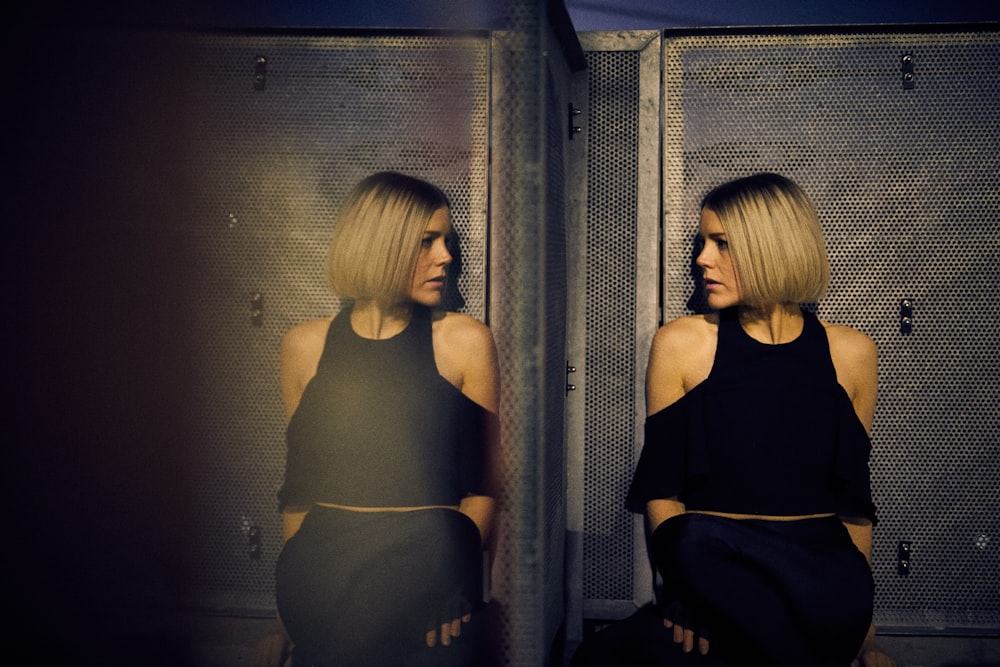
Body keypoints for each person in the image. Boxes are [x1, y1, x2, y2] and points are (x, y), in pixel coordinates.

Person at [571, 173, 895, 666]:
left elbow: (853, 504)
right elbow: (664, 489)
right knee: (604, 657)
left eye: (721, 244)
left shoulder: (853, 353)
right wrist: (686, 590)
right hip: (711, 566)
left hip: (819, 576)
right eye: (703, 242)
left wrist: (865, 632)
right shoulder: (680, 343)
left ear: (772, 247)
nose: (702, 259)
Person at [253, 172, 500, 667]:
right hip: (325, 566)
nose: (446, 257)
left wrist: (459, 583)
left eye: (446, 241)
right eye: (426, 242)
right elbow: (299, 491)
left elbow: (485, 488)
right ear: (380, 245)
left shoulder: (464, 341)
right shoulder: (304, 346)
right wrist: (286, 618)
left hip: (427, 560)